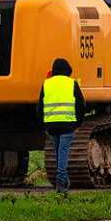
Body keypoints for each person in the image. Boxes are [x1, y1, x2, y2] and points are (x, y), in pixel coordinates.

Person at [36, 57, 86, 195]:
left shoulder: (46, 84)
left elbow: (40, 107)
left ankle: (64, 179)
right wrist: (78, 123)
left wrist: (44, 125)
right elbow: (81, 105)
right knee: (63, 152)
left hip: (51, 125)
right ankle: (61, 179)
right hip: (67, 124)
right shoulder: (71, 83)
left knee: (59, 152)